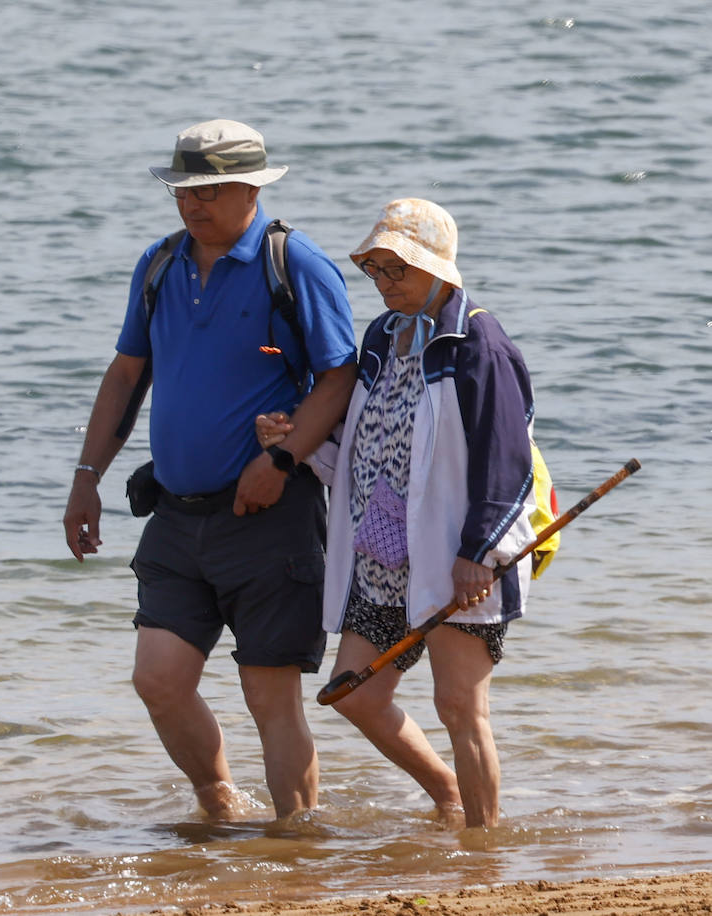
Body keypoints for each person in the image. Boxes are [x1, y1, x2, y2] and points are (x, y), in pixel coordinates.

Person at [62, 120, 358, 820]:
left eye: (213, 191)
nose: (195, 205)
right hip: (175, 512)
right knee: (158, 680)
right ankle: (219, 806)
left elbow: (340, 377)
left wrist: (281, 461)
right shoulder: (159, 265)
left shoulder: (295, 263)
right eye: (184, 190)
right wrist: (86, 476)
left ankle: (295, 845)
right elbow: (128, 371)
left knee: (269, 696)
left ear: (252, 187)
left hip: (268, 515)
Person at [256, 198, 539, 828]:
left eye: (397, 271)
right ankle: (449, 795)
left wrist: (478, 554)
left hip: (453, 559)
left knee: (460, 708)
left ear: (438, 267)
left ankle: (482, 850)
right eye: (375, 272)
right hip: (382, 556)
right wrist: (294, 441)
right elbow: (364, 441)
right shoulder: (383, 336)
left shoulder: (477, 341)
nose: (384, 286)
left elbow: (506, 460)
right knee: (354, 694)